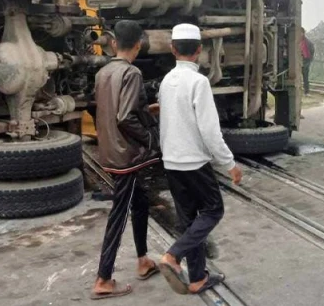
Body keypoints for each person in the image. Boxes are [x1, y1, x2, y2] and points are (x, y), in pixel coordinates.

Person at [157, 23, 242, 295]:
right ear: (199, 51)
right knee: (213, 210)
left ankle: (197, 278)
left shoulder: (166, 81)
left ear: (172, 49)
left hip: (171, 162)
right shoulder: (199, 82)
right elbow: (209, 130)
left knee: (190, 220)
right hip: (194, 162)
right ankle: (173, 254)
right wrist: (229, 163)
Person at [91, 20, 161, 300]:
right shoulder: (131, 73)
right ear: (139, 44)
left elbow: (116, 110)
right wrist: (150, 138)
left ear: (113, 43)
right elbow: (125, 117)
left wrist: (146, 110)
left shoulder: (103, 72)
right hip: (127, 155)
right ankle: (103, 279)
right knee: (120, 214)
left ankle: (143, 260)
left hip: (111, 149)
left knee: (140, 202)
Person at [300, 28, 315, 96]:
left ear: (303, 33)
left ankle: (306, 92)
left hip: (306, 60)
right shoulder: (295, 41)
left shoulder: (308, 42)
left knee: (305, 76)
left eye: (301, 33)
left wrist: (310, 59)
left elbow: (312, 50)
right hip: (298, 60)